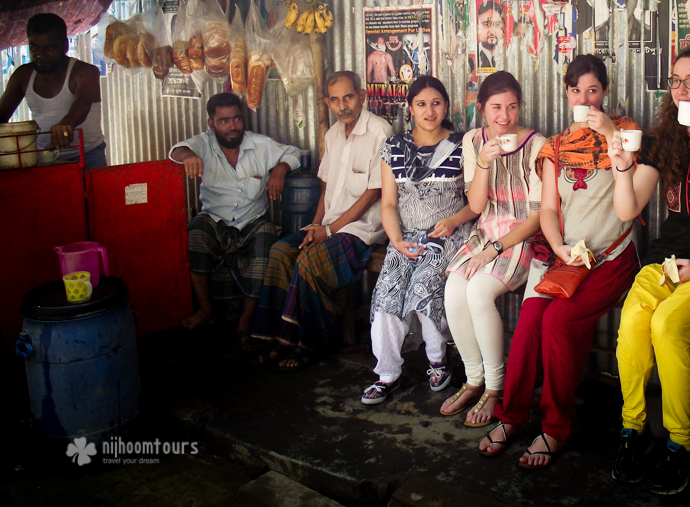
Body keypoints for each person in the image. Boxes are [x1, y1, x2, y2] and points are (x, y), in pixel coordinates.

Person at [478, 54, 640, 469]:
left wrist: (607, 134)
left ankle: (554, 427)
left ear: (605, 92)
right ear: (566, 94)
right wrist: (559, 246)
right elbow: (548, 210)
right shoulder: (553, 148)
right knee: (532, 316)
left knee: (558, 321)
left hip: (613, 256)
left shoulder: (625, 132)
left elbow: (629, 199)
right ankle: (511, 416)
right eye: (576, 91)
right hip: (570, 260)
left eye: (593, 90)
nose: (585, 98)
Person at [606, 46, 690, 495]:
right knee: (635, 322)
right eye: (676, 81)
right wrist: (623, 166)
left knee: (668, 327)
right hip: (664, 262)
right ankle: (633, 431)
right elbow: (627, 209)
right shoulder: (665, 142)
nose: (681, 90)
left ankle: (683, 443)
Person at [252, 71, 391, 369]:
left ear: (362, 96)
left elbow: (373, 193)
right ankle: (275, 336)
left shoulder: (380, 131)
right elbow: (325, 188)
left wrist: (328, 231)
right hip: (329, 225)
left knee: (309, 262)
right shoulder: (331, 135)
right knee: (280, 252)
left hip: (362, 230)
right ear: (328, 102)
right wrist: (315, 226)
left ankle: (309, 344)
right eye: (336, 100)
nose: (343, 106)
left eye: (349, 97)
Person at [362, 76, 477, 405]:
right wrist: (395, 241)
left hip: (451, 232)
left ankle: (438, 361)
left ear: (447, 107)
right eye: (422, 104)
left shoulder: (462, 145)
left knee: (425, 281)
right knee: (389, 287)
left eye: (436, 103)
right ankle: (386, 373)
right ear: (410, 109)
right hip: (406, 236)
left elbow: (476, 202)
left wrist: (454, 221)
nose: (430, 111)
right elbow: (387, 203)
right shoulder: (393, 148)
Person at [441, 71, 543, 427]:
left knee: (479, 292)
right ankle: (473, 380)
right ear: (481, 108)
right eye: (496, 107)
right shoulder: (472, 141)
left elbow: (537, 219)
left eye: (512, 107)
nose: (504, 116)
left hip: (521, 238)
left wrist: (496, 248)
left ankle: (495, 389)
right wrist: (484, 161)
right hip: (484, 231)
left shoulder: (535, 145)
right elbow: (476, 203)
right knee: (454, 291)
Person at [169, 92, 300, 350]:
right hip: (214, 220)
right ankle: (206, 310)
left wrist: (280, 169)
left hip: (252, 220)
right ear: (211, 124)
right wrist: (188, 157)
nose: (232, 127)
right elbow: (176, 150)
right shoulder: (204, 144)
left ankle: (245, 321)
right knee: (195, 233)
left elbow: (295, 152)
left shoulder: (259, 145)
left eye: (237, 119)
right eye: (224, 121)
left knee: (266, 242)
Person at [0, 13, 106, 168]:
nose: (40, 55)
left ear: (65, 45)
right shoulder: (23, 75)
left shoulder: (85, 72)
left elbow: (83, 103)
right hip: (45, 159)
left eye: (49, 48)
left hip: (88, 156)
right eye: (34, 47)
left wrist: (67, 123)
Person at [476, 0, 504, 71]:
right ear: (477, 27)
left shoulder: (506, 57)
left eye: (496, 24)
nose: (492, 31)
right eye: (486, 24)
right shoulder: (474, 58)